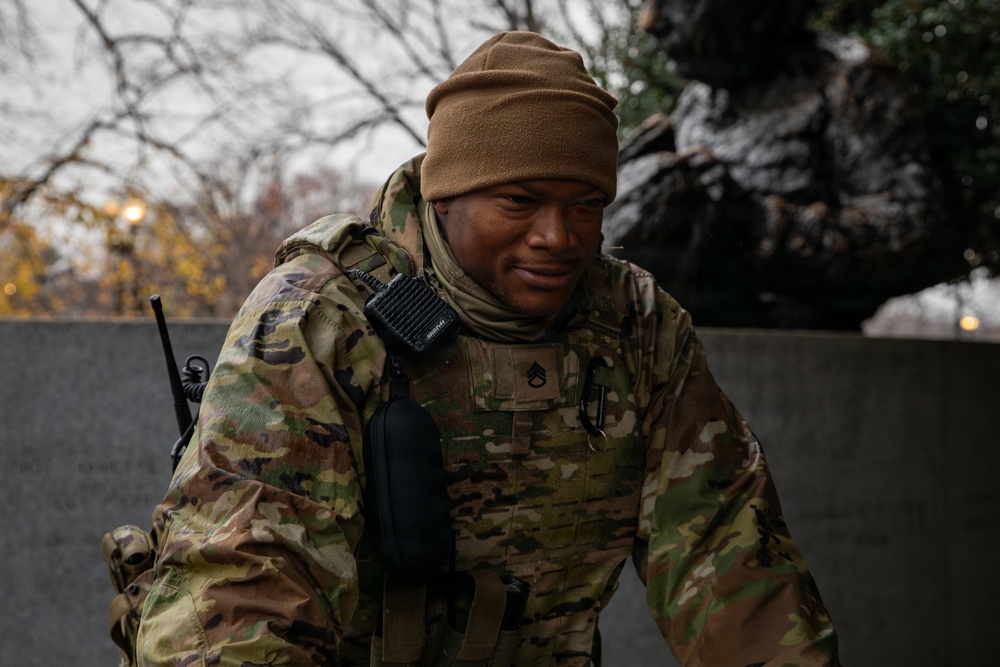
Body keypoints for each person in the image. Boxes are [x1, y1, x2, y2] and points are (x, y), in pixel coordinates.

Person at [135, 31, 841, 667]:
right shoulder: (320, 319)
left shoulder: (635, 327)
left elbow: (729, 561)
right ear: (447, 195)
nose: (558, 236)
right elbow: (239, 590)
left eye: (585, 205)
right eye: (520, 201)